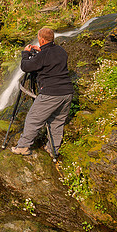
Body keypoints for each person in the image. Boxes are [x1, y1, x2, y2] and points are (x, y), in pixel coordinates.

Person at [11, 27, 74, 158]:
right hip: (67, 92)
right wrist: (41, 50)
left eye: (39, 39)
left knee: (33, 119)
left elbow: (26, 66)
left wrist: (25, 54)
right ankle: (52, 149)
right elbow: (51, 57)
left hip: (51, 93)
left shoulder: (43, 56)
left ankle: (23, 146)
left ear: (42, 39)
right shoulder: (61, 51)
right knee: (57, 121)